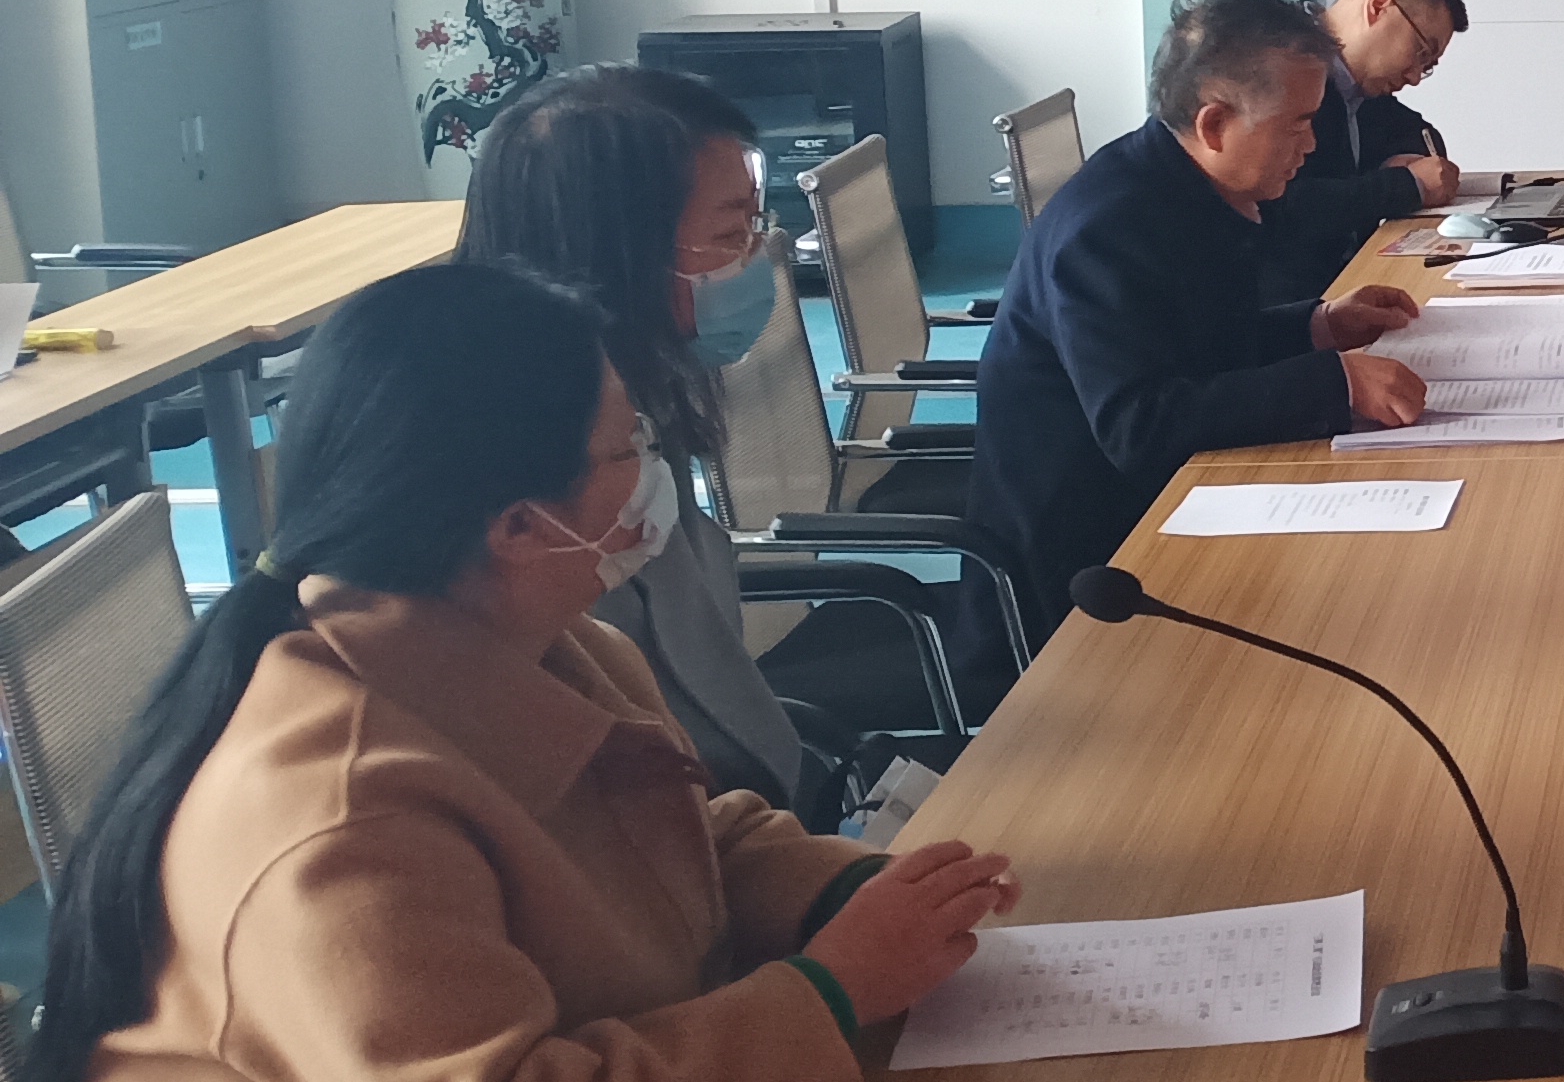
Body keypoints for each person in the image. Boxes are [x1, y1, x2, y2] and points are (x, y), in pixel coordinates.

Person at [37, 264, 1018, 1081]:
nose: (651, 467)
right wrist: (832, 991)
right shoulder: (346, 819)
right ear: (517, 525)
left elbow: (680, 839)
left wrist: (852, 897)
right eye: (625, 446)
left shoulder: (543, 638)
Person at [965, 0, 1431, 681]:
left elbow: (1199, 344)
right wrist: (1333, 384)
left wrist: (1317, 326)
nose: (1310, 145)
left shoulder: (1189, 186)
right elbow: (1141, 424)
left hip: (1169, 509)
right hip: (1086, 572)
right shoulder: (1109, 229)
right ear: (1214, 125)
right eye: (1296, 124)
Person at [455, 64, 820, 816]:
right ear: (618, 250)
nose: (758, 255)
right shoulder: (538, 494)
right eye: (731, 235)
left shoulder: (630, 390)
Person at [1258, 0, 1470, 305]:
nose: (1415, 77)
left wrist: (1405, 165)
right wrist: (1403, 185)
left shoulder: (1358, 88)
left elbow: (1419, 134)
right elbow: (1279, 206)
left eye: (1428, 65)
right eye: (1420, 52)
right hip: (1284, 306)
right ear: (1378, 7)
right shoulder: (1285, 66)